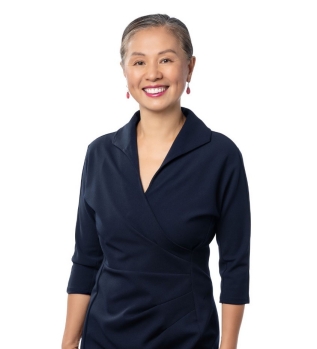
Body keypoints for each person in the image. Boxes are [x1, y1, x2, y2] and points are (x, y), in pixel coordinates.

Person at [61, 13, 251, 349]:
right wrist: (67, 343)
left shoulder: (221, 155)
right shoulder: (100, 154)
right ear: (125, 71)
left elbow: (234, 265)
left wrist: (229, 346)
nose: (153, 74)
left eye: (166, 59)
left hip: (187, 338)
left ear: (189, 67)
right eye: (139, 62)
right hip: (104, 337)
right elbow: (86, 259)